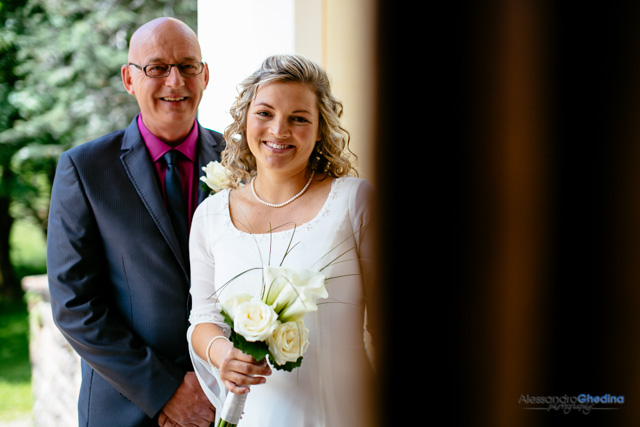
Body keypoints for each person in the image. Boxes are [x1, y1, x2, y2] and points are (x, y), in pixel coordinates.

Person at [47, 17, 224, 426]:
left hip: (230, 400)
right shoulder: (84, 169)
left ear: (205, 75)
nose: (175, 81)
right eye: (157, 67)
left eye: (187, 66)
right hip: (126, 408)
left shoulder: (242, 160)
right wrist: (165, 391)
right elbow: (74, 305)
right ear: (129, 79)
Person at [187, 54, 378, 426]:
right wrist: (225, 355)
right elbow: (203, 319)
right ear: (245, 119)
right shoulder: (210, 216)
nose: (279, 130)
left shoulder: (354, 201)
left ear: (321, 128)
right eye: (264, 113)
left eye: (299, 118)